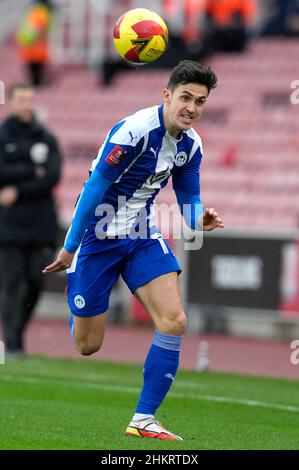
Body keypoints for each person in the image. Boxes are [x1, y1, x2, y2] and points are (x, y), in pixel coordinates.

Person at [43, 60, 224, 441]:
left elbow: (189, 198)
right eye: (185, 97)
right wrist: (70, 248)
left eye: (200, 101)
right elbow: (94, 189)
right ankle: (78, 295)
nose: (192, 107)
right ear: (167, 95)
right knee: (88, 346)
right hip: (96, 236)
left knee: (174, 320)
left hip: (141, 232)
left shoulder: (191, 145)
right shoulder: (134, 131)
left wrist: (198, 220)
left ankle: (143, 418)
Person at [0, 83, 62, 357]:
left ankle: (18, 332)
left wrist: (18, 188)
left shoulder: (46, 137)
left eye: (30, 99)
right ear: (11, 102)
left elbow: (52, 176)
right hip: (8, 224)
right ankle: (12, 343)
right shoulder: (2, 136)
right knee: (11, 282)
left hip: (40, 223)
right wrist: (31, 171)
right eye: (21, 99)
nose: (27, 104)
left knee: (36, 282)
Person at [16, 0, 54, 86]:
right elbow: (39, 28)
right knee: (35, 65)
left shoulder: (32, 12)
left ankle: (36, 81)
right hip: (33, 44)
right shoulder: (40, 13)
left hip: (32, 44)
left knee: (35, 65)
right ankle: (36, 81)